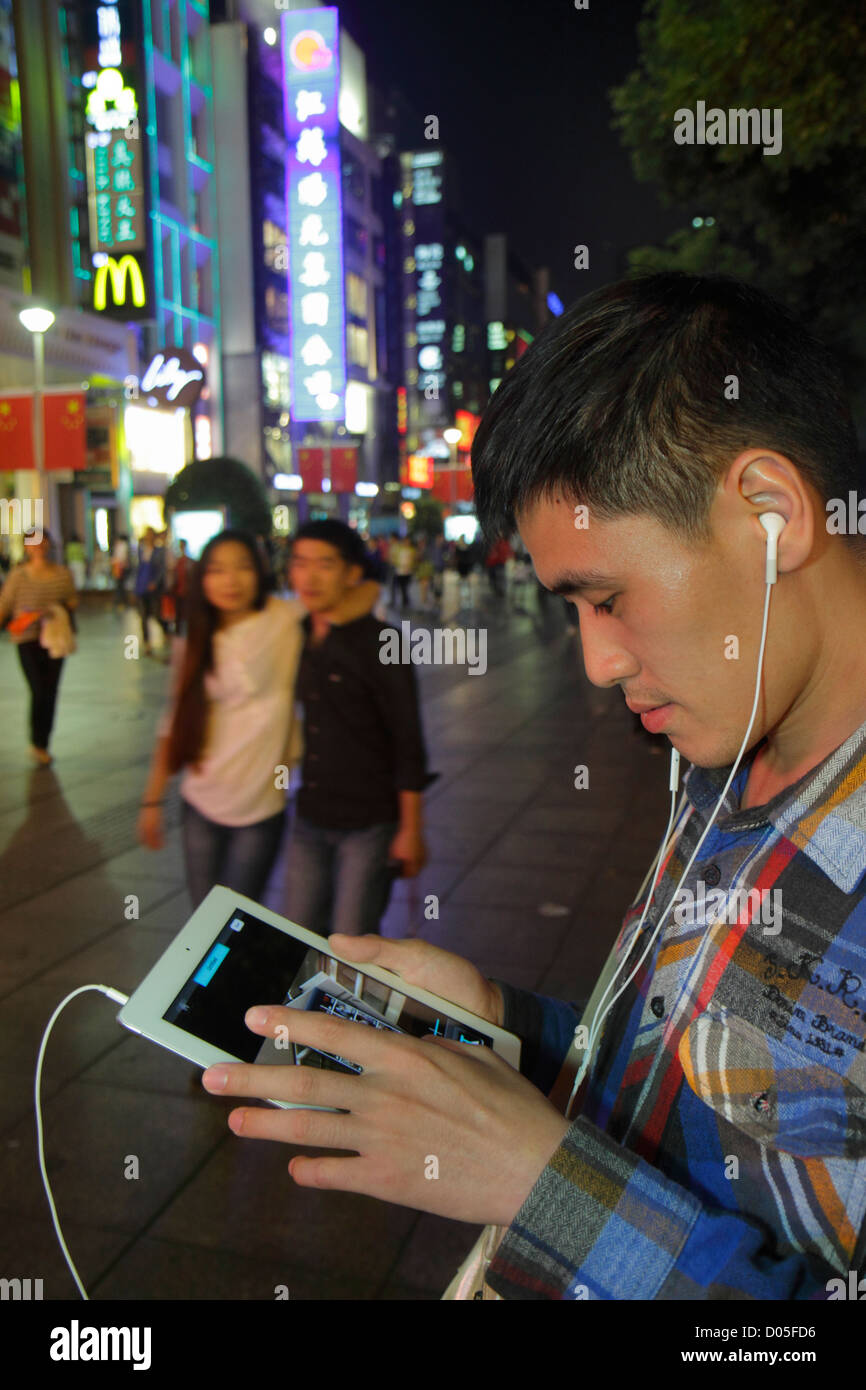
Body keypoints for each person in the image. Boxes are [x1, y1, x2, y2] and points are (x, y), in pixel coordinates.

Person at [201, 272, 866, 1301]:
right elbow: (690, 1081)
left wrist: (541, 1186)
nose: (596, 662)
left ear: (769, 512)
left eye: (605, 597)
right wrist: (508, 1024)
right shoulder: (719, 751)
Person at [138, 528, 380, 910]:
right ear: (203, 578)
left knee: (235, 919)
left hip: (261, 805)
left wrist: (329, 619)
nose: (230, 580)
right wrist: (151, 802)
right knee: (204, 920)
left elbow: (366, 593)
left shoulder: (283, 618)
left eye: (243, 568)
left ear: (260, 572)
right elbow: (172, 722)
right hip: (200, 799)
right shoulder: (196, 635)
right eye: (217, 569)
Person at [284, 519, 433, 937]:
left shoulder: (382, 643)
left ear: (352, 572)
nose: (309, 576)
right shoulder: (293, 633)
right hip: (310, 815)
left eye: (325, 564)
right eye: (300, 562)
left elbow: (408, 742)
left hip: (369, 824)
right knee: (297, 934)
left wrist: (411, 830)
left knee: (351, 944)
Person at [0, 530, 78, 765]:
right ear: (26, 547)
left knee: (51, 689)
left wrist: (53, 609)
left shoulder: (62, 574)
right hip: (27, 639)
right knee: (38, 689)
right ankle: (36, 741)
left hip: (54, 637)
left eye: (42, 542)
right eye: (33, 543)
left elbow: (72, 600)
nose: (38, 547)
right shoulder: (18, 575)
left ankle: (43, 742)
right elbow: (5, 603)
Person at [134, 526, 166, 656]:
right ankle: (147, 642)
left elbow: (161, 569)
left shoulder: (160, 551)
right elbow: (137, 569)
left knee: (156, 614)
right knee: (143, 616)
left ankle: (166, 630)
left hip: (153, 588)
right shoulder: (141, 551)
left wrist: (155, 583)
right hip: (141, 586)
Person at [112, 532, 132, 609]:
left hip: (120, 567)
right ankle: (122, 601)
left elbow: (120, 557)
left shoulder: (121, 545)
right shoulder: (125, 545)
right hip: (121, 567)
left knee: (120, 585)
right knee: (121, 585)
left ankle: (121, 601)